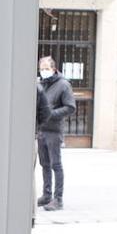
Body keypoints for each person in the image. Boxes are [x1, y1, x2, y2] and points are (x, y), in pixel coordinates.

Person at [36, 55, 75, 211]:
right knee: (44, 164)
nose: (44, 71)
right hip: (42, 130)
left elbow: (70, 107)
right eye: (41, 68)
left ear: (53, 68)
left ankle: (58, 199)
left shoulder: (63, 85)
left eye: (46, 68)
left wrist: (51, 113)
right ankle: (47, 195)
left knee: (55, 164)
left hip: (54, 131)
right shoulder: (41, 84)